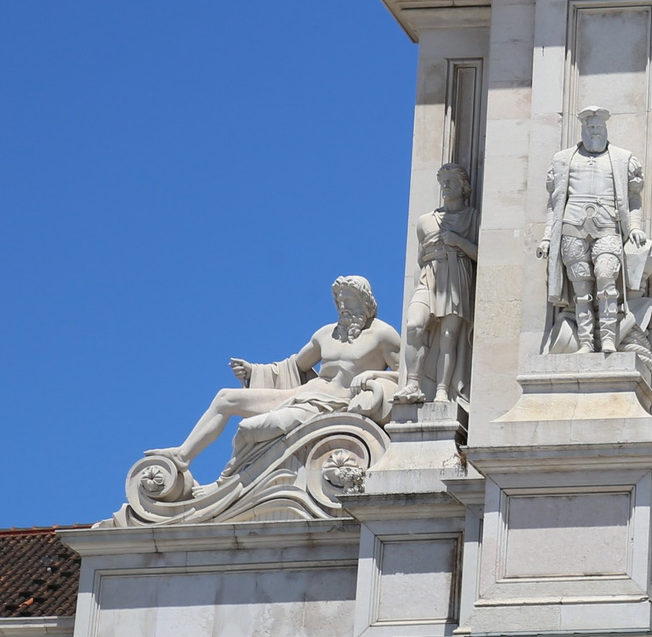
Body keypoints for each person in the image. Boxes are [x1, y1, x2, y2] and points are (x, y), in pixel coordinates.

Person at [146, 276, 402, 468]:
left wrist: (373, 376)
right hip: (302, 395)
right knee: (225, 397)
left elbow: (408, 377)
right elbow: (293, 366)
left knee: (248, 430)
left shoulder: (382, 334)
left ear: (365, 301)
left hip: (332, 406)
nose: (343, 306)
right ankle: (182, 456)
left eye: (350, 299)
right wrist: (253, 371)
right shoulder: (325, 334)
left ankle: (232, 484)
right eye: (339, 300)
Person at [537, 107, 650, 354]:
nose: (594, 131)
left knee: (607, 279)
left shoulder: (623, 158)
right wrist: (547, 237)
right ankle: (586, 342)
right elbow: (555, 204)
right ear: (583, 129)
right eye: (590, 128)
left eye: (598, 127)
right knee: (581, 290)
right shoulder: (563, 159)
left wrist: (634, 228)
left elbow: (634, 199)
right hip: (572, 228)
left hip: (608, 226)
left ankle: (608, 338)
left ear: (605, 128)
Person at [398, 163, 478, 406]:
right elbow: (419, 260)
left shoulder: (472, 217)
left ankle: (442, 389)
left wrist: (458, 242)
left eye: (451, 181)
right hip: (429, 277)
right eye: (442, 182)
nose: (445, 186)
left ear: (463, 187)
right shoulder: (425, 221)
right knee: (414, 326)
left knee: (448, 336)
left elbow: (483, 255)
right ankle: (413, 383)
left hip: (456, 275)